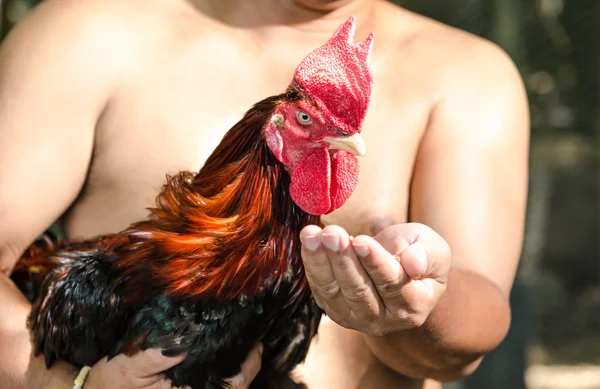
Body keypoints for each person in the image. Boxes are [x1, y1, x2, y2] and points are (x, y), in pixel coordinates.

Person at [0, 0, 530, 388]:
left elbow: (463, 348)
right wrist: (65, 386)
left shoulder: (468, 77)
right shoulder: (89, 29)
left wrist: (416, 300)